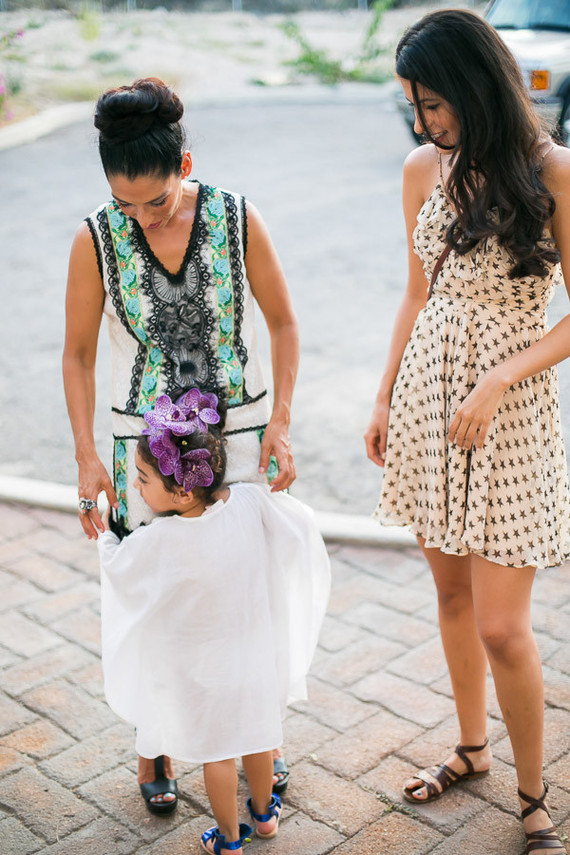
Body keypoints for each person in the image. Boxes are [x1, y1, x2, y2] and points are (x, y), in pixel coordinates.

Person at [364, 10, 570, 855]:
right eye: (416, 105)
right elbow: (417, 296)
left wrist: (500, 373)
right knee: (449, 597)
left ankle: (534, 793)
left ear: (481, 87)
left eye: (438, 104)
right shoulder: (423, 169)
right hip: (427, 401)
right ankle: (471, 748)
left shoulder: (554, 171)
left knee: (501, 625)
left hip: (511, 411)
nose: (425, 123)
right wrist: (383, 398)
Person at [63, 78, 299, 811]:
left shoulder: (237, 218)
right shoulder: (96, 236)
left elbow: (284, 324)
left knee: (243, 598)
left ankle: (256, 742)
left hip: (236, 442)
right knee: (159, 598)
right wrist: (85, 457)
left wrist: (284, 422)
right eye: (126, 204)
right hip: (144, 451)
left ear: (185, 164)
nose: (141, 218)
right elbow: (75, 354)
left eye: (156, 202)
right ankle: (154, 747)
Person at [97, 389, 330, 854]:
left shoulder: (160, 538)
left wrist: (104, 526)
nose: (137, 489)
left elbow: (119, 566)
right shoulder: (249, 503)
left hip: (203, 674)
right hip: (255, 658)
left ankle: (227, 839)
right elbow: (296, 525)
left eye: (143, 480)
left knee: (219, 754)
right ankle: (264, 817)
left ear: (182, 490)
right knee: (261, 737)